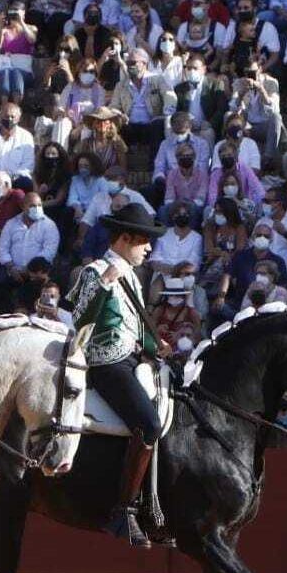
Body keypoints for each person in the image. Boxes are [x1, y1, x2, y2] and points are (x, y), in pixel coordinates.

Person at [67, 204, 169, 547]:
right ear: (125, 238)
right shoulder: (96, 271)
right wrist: (101, 287)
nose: (149, 248)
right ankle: (122, 510)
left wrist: (156, 346)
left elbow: (135, 326)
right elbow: (79, 320)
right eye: (145, 241)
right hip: (107, 364)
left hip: (133, 360)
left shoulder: (130, 274)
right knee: (150, 424)